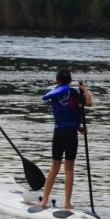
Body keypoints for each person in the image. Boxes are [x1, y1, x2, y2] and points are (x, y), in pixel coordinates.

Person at [39, 69, 92, 210]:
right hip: (71, 135)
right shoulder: (74, 93)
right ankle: (67, 203)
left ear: (57, 80)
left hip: (59, 133)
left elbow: (64, 111)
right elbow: (88, 103)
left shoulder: (54, 94)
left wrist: (78, 127)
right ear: (69, 80)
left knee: (54, 168)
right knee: (69, 169)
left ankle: (44, 200)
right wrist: (84, 89)